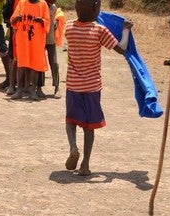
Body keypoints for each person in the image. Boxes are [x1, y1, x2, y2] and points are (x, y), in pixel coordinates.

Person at [64, 0, 132, 175]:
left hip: (73, 85)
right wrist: (125, 29)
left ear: (76, 8)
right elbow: (122, 48)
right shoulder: (100, 31)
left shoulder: (69, 28)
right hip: (92, 88)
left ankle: (73, 147)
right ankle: (85, 165)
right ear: (96, 8)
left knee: (70, 120)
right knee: (89, 127)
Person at [10, 0, 50, 101]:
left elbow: (47, 23)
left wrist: (41, 21)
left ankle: (33, 91)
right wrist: (17, 19)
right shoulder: (22, 3)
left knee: (35, 66)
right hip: (23, 40)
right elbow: (12, 21)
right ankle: (19, 90)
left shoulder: (43, 4)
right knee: (21, 65)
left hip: (37, 41)